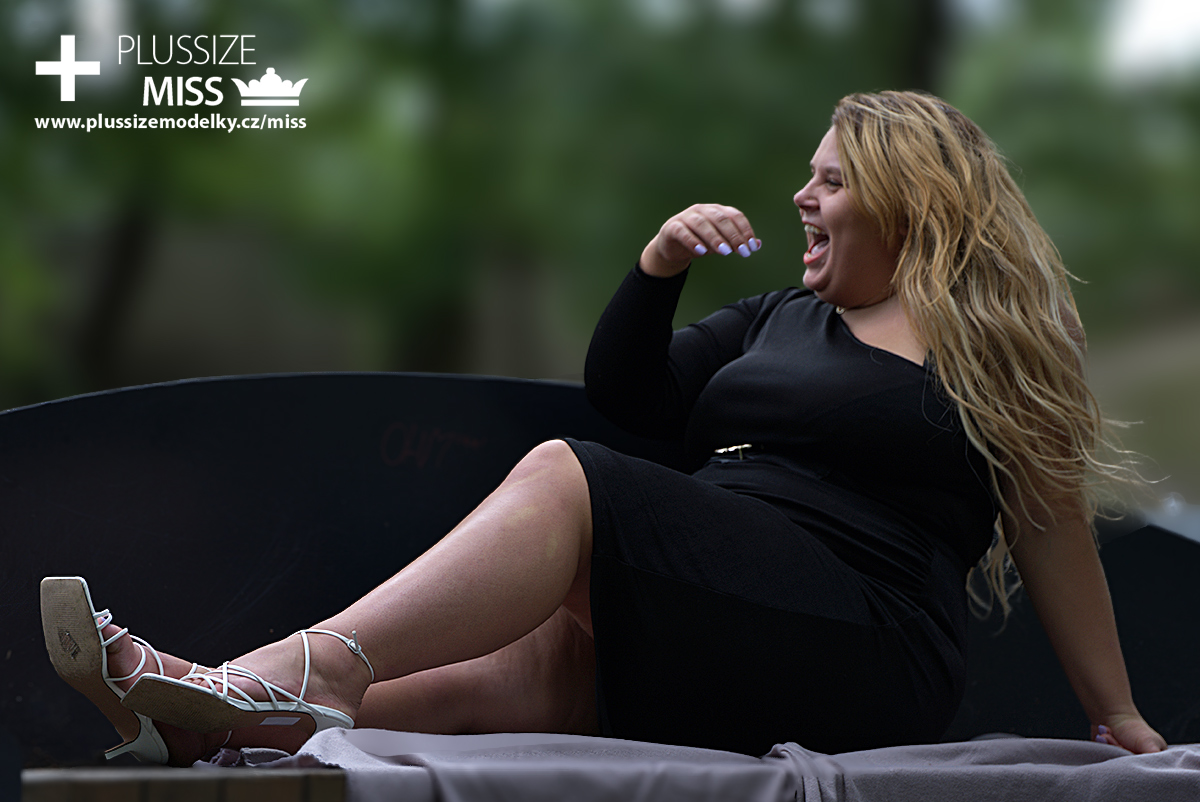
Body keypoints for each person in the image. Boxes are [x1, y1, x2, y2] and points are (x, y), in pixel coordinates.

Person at [42, 90, 1167, 766]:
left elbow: (1053, 527)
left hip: (866, 637)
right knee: (518, 672)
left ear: (909, 196)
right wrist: (658, 266)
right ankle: (209, 712)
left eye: (829, 181)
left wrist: (1115, 712)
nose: (801, 198)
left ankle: (300, 672)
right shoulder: (775, 318)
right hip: (727, 599)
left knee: (567, 475)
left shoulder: (989, 345)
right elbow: (629, 394)